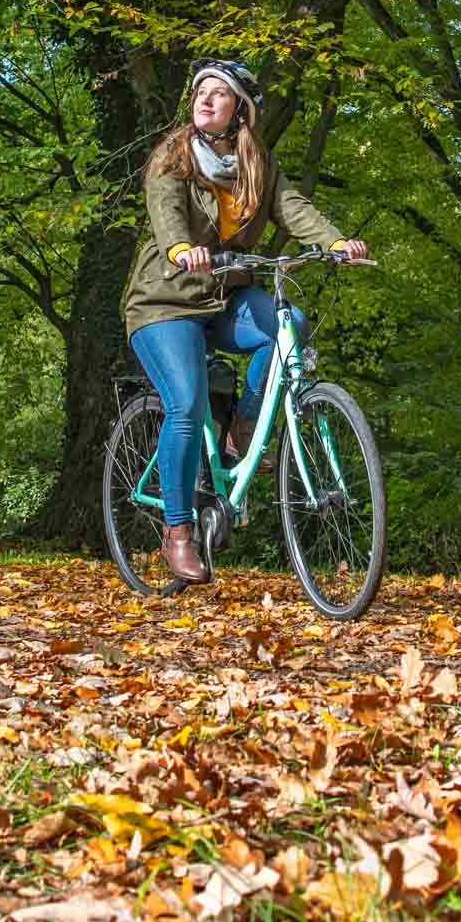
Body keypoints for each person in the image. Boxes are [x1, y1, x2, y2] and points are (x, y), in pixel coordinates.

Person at [122, 60, 368, 582]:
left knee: (289, 324)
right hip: (165, 302)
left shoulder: (256, 164)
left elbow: (292, 208)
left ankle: (243, 427)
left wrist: (335, 241)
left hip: (224, 300)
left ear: (241, 111)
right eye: (200, 93)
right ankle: (178, 531)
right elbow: (165, 211)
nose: (205, 100)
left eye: (219, 94)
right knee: (185, 405)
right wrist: (182, 248)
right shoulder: (171, 157)